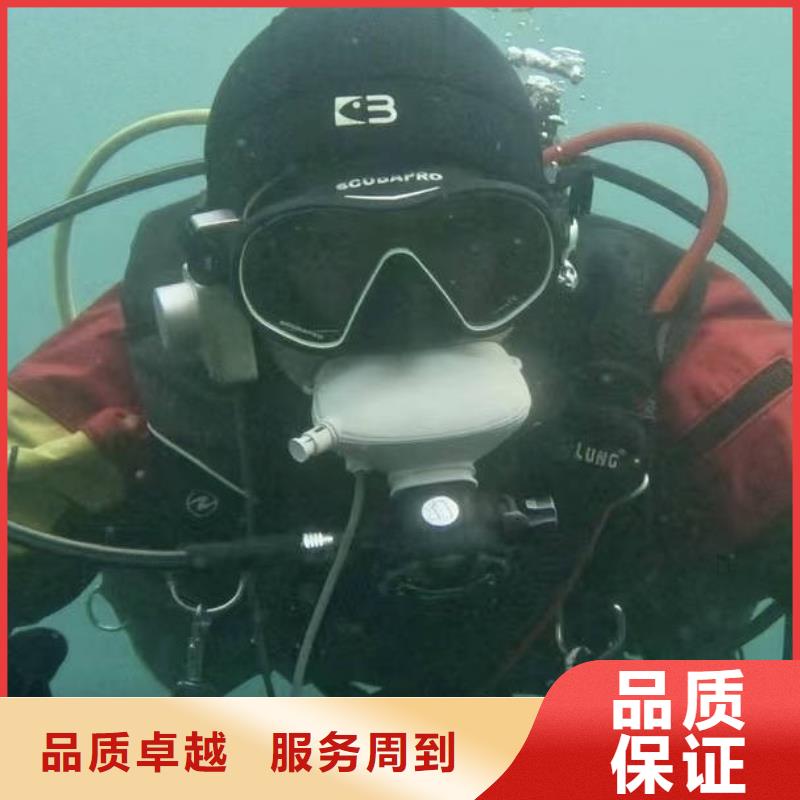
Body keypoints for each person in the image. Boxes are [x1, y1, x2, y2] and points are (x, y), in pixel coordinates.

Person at [8, 8, 792, 697]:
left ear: (554, 248)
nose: (409, 320)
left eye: (466, 245)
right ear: (219, 280)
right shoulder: (131, 373)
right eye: (326, 253)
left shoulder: (676, 344)